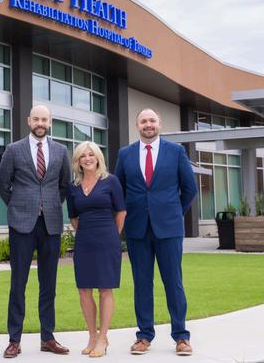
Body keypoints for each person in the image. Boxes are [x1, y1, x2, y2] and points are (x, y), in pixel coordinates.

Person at [114, 109, 198, 357]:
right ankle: (144, 335)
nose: (148, 124)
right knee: (142, 284)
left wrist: (174, 212)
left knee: (173, 282)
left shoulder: (176, 151)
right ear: (137, 125)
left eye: (152, 120)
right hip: (137, 229)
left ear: (159, 124)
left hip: (169, 229)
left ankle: (181, 336)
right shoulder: (125, 154)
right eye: (143, 121)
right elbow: (118, 191)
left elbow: (190, 188)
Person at [0, 105, 71, 358]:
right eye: (36, 119)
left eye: (44, 119)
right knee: (18, 283)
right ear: (29, 121)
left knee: (49, 284)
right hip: (21, 224)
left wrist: (50, 205)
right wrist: (19, 206)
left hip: (51, 224)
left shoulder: (61, 151)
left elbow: (64, 186)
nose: (40, 123)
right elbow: (2, 185)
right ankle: (14, 340)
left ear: (50, 122)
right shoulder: (13, 150)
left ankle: (47, 338)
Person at [67, 141, 126, 358]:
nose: (87, 158)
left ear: (98, 158)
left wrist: (112, 234)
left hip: (107, 240)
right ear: (78, 161)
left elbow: (121, 212)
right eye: (83, 155)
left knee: (105, 289)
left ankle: (103, 338)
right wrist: (87, 233)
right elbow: (73, 217)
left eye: (91, 154)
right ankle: (92, 335)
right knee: (84, 289)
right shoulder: (73, 186)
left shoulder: (111, 181)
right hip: (84, 241)